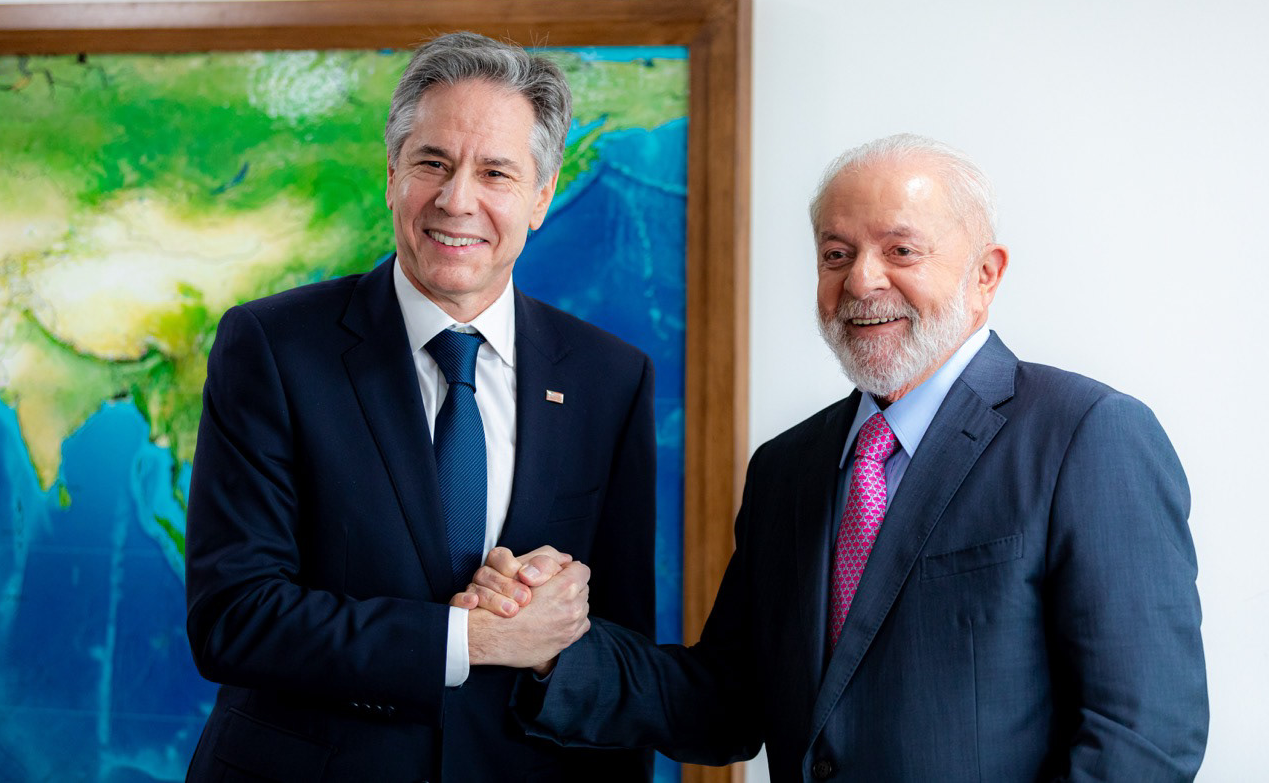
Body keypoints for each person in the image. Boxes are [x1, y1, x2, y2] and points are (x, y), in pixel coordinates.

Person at [474, 134, 1209, 781]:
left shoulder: (1089, 434)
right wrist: (551, 643)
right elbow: (726, 702)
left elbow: (1144, 736)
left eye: (901, 250)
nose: (861, 280)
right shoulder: (787, 468)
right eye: (836, 253)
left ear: (986, 274)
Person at [184, 32, 656, 782]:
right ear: (392, 176)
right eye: (432, 162)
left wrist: (556, 627)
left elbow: (619, 652)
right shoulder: (271, 347)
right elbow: (234, 617)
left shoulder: (610, 377)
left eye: (495, 171)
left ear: (540, 197)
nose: (456, 198)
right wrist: (468, 638)